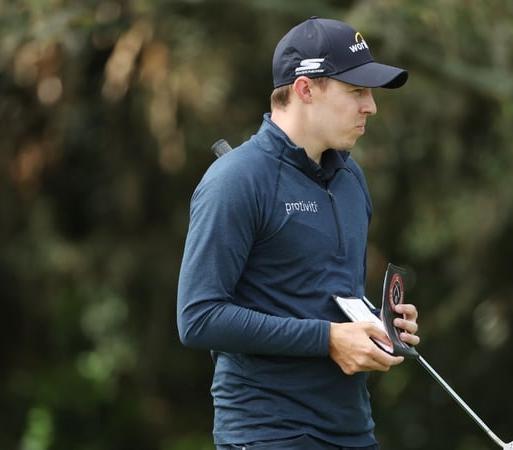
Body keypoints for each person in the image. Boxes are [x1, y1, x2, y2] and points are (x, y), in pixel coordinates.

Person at [177, 16, 419, 450]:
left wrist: (382, 324)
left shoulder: (351, 180)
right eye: (356, 91)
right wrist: (326, 339)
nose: (371, 106)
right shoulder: (236, 180)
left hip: (352, 430)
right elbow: (198, 317)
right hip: (269, 434)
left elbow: (328, 296)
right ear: (306, 89)